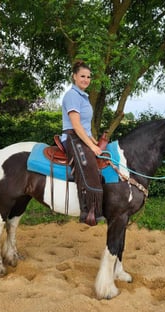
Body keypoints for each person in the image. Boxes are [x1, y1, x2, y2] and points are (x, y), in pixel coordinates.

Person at [61, 60, 103, 226]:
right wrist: (91, 147)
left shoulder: (83, 97)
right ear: (74, 77)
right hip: (72, 137)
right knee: (89, 164)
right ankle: (87, 210)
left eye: (88, 77)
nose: (86, 79)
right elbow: (77, 126)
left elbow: (85, 126)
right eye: (82, 76)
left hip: (81, 136)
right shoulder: (72, 95)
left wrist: (94, 141)